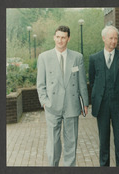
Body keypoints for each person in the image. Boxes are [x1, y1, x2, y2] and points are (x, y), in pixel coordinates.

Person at [37, 25, 89, 166]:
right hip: (52, 105)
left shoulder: (77, 57)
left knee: (71, 141)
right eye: (58, 37)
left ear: (68, 38)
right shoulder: (44, 57)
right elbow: (40, 83)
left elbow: (82, 82)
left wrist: (85, 102)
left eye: (63, 37)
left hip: (72, 104)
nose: (60, 40)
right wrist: (44, 101)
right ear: (54, 37)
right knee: (53, 142)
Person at [89, 25, 119, 166]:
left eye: (116, 38)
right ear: (104, 38)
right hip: (102, 105)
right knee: (103, 140)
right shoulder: (94, 58)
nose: (114, 41)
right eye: (111, 38)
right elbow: (93, 80)